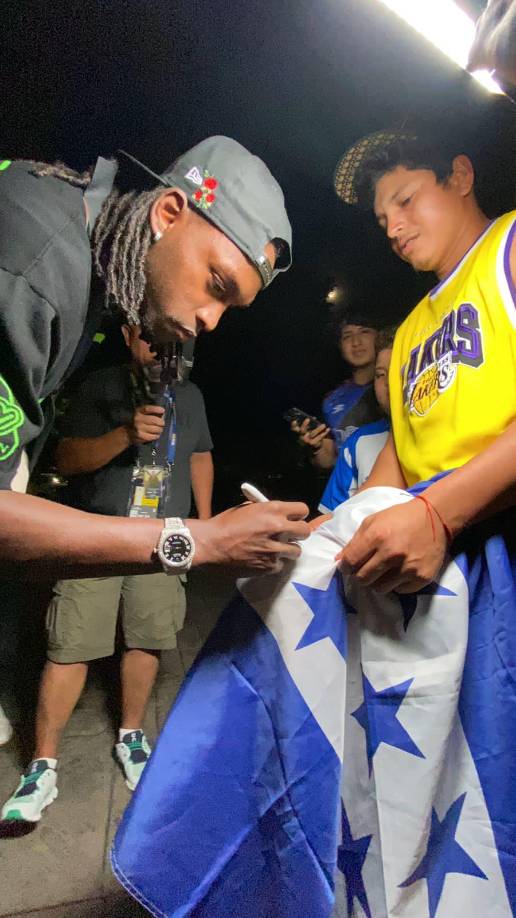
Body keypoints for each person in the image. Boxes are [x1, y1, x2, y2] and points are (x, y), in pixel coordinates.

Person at [0, 136, 310, 584]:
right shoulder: (33, 267)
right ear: (167, 213)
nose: (211, 319)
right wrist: (202, 541)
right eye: (216, 283)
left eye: (229, 307)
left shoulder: (82, 260)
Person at [1, 323, 214, 821]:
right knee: (69, 645)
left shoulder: (192, 393)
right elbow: (66, 459)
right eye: (151, 339)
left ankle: (131, 736)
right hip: (96, 537)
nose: (162, 352)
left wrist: (205, 524)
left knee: (148, 639)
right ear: (127, 333)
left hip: (164, 537)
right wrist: (124, 434)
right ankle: (42, 767)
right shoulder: (102, 386)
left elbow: (201, 454)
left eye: (173, 345)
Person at [332, 129, 515, 593]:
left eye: (406, 200)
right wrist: (334, 536)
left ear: (459, 176)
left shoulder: (508, 246)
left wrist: (439, 512)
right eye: (382, 220)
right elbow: (402, 450)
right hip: (451, 562)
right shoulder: (410, 328)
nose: (393, 229)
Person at [318, 330, 393, 513]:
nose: (356, 342)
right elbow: (330, 520)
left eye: (364, 332)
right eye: (380, 375)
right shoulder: (358, 440)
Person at [293, 317, 382, 470]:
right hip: (352, 490)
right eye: (347, 336)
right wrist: (316, 446)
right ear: (340, 347)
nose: (356, 342)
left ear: (379, 337)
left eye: (364, 332)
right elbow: (329, 460)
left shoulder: (396, 384)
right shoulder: (332, 400)